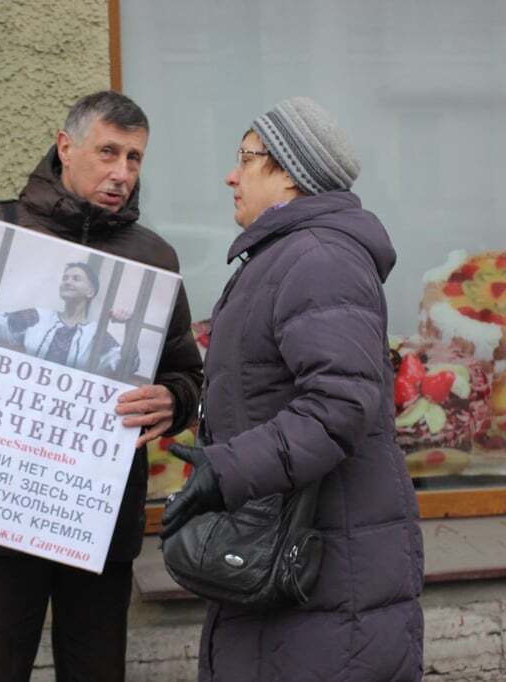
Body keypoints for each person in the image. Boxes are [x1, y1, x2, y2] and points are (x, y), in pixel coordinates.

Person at [0, 90, 203, 681]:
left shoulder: (154, 259)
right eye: (107, 152)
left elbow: (185, 373)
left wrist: (173, 399)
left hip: (96, 519)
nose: (121, 173)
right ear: (65, 146)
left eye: (134, 159)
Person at [161, 97, 424, 681]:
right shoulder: (286, 257)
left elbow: (338, 407)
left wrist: (225, 470)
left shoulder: (320, 258)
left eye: (245, 158)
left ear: (288, 173)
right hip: (296, 559)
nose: (232, 175)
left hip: (329, 575)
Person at [0, 261, 137, 375]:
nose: (67, 282)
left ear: (90, 292)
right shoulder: (37, 317)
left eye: (76, 278)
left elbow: (126, 366)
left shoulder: (96, 334)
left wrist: (130, 326)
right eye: (65, 278)